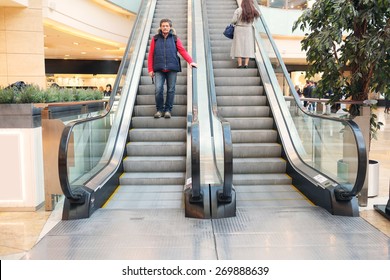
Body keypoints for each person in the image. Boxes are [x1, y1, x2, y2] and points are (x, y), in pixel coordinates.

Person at [148, 18, 197, 118]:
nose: (165, 27)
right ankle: (159, 110)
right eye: (163, 26)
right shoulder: (155, 39)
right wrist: (150, 69)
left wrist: (190, 61)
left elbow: (182, 51)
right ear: (160, 27)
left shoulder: (175, 38)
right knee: (158, 89)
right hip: (159, 68)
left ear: (170, 27)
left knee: (171, 90)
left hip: (172, 68)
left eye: (167, 26)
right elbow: (151, 55)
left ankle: (168, 110)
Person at [230, 0, 260, 68]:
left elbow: (233, 20)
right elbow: (259, 14)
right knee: (248, 46)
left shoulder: (238, 10)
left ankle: (240, 64)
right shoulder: (252, 10)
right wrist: (253, 7)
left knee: (238, 46)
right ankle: (246, 64)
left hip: (239, 29)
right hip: (248, 29)